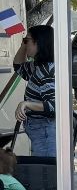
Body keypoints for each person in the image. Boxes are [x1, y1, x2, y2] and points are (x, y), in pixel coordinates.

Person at [12, 24, 58, 156]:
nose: (25, 44)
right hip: (41, 131)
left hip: (45, 132)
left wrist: (26, 104)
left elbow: (54, 106)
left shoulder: (46, 72)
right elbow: (19, 66)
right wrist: (24, 44)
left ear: (39, 42)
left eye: (27, 41)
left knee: (44, 167)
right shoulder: (39, 66)